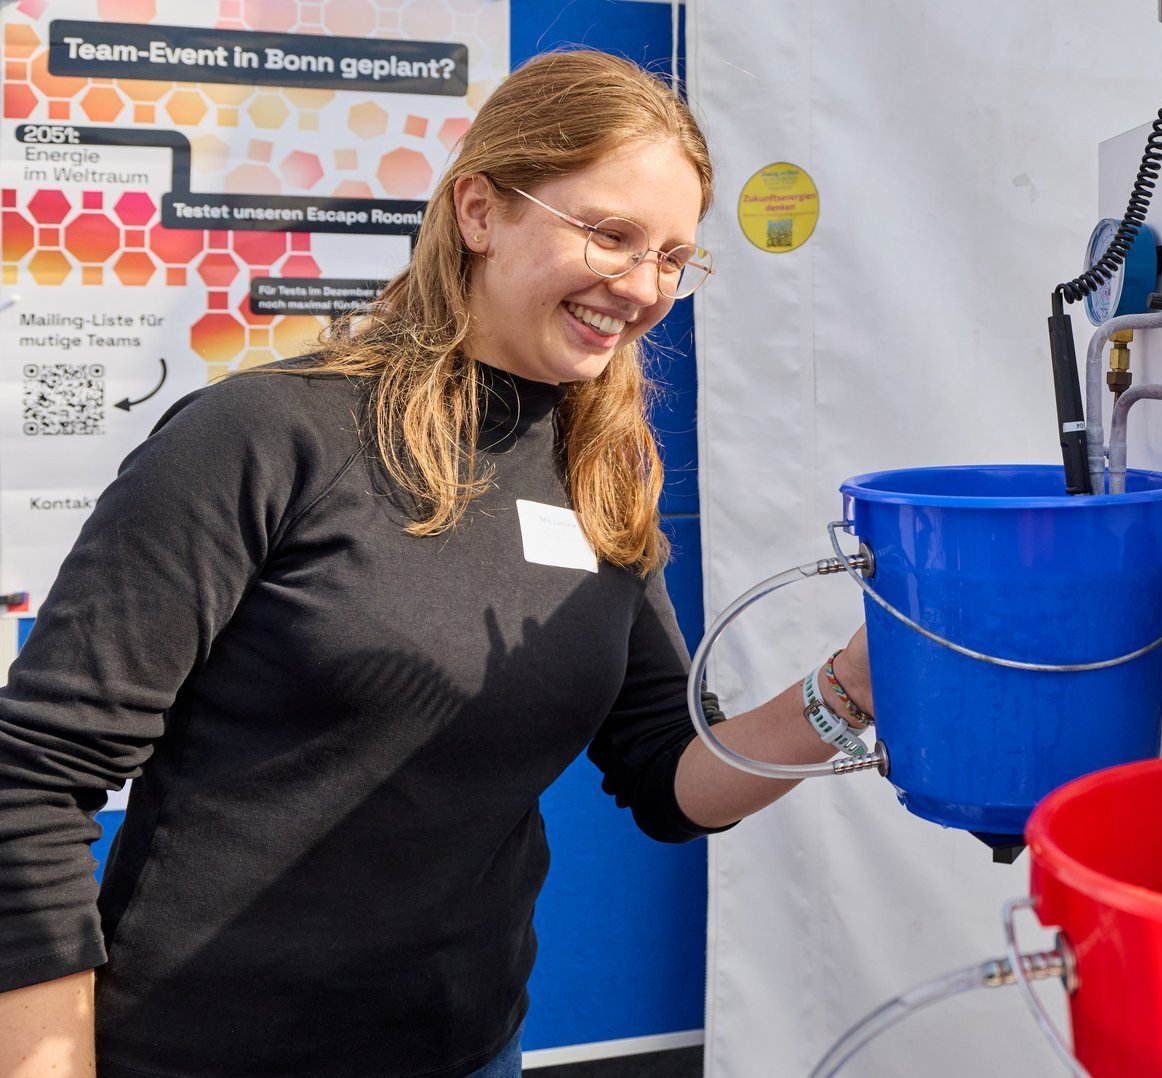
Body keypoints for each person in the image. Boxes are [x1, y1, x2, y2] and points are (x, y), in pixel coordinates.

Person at [0, 49, 871, 1078]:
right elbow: (33, 778)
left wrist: (854, 691)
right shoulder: (263, 437)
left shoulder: (600, 473)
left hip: (468, 1048)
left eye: (674, 256)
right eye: (610, 234)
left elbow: (669, 778)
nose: (642, 287)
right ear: (479, 211)